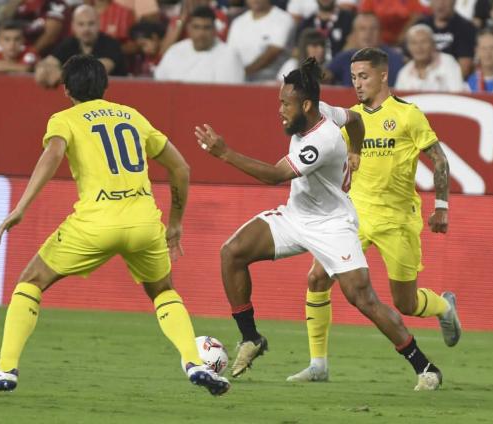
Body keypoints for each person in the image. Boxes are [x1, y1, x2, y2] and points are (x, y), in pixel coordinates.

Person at [0, 54, 230, 396]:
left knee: (31, 281)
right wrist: (175, 223)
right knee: (163, 291)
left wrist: (22, 206)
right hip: (145, 223)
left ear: (66, 89)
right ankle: (193, 362)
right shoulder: (132, 116)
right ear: (106, 86)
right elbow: (182, 169)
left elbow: (53, 155)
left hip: (96, 223)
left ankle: (5, 369)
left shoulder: (65, 118)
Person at [195, 57, 444, 391]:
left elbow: (274, 175)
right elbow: (356, 119)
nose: (280, 110)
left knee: (362, 298)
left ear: (306, 105)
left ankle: (425, 366)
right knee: (232, 252)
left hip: (332, 225)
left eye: (286, 103)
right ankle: (251, 338)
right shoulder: (326, 110)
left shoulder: (322, 139)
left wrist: (225, 153)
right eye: (280, 102)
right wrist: (356, 150)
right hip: (296, 216)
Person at [287, 48, 460, 383]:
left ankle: (443, 306)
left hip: (397, 220)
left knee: (405, 303)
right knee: (317, 278)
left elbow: (439, 160)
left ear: (383, 75)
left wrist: (442, 206)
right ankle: (318, 364)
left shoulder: (408, 115)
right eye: (353, 78)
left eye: (364, 76)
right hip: (354, 216)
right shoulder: (350, 118)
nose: (358, 84)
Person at [34, 4, 126, 88]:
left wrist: (62, 75)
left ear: (99, 24)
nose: (86, 29)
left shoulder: (111, 44)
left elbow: (98, 70)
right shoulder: (69, 43)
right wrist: (43, 69)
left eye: (91, 24)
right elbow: (50, 61)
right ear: (73, 26)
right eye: (81, 24)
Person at [155, 5, 244, 83]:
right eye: (196, 27)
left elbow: (229, 95)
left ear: (214, 30)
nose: (201, 33)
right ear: (189, 29)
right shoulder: (175, 51)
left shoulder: (229, 55)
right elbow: (159, 84)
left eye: (206, 28)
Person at [326, 13, 404, 86]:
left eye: (373, 28)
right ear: (354, 33)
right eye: (362, 29)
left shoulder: (394, 58)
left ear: (380, 33)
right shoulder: (345, 57)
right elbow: (324, 76)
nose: (368, 33)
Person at [226, 0, 295, 82]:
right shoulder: (237, 23)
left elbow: (272, 52)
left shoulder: (284, 19)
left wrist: (242, 73)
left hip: (273, 82)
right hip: (240, 81)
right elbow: (230, 53)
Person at [395, 24, 465, 92]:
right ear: (408, 47)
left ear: (433, 44)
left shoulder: (447, 62)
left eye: (424, 42)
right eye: (414, 43)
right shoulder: (404, 72)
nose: (419, 47)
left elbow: (457, 93)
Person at [417, 0, 477, 78]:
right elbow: (409, 59)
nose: (440, 4)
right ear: (430, 2)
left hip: (451, 85)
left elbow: (464, 68)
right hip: (421, 83)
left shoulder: (466, 28)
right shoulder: (420, 27)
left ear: (454, 2)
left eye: (445, 0)